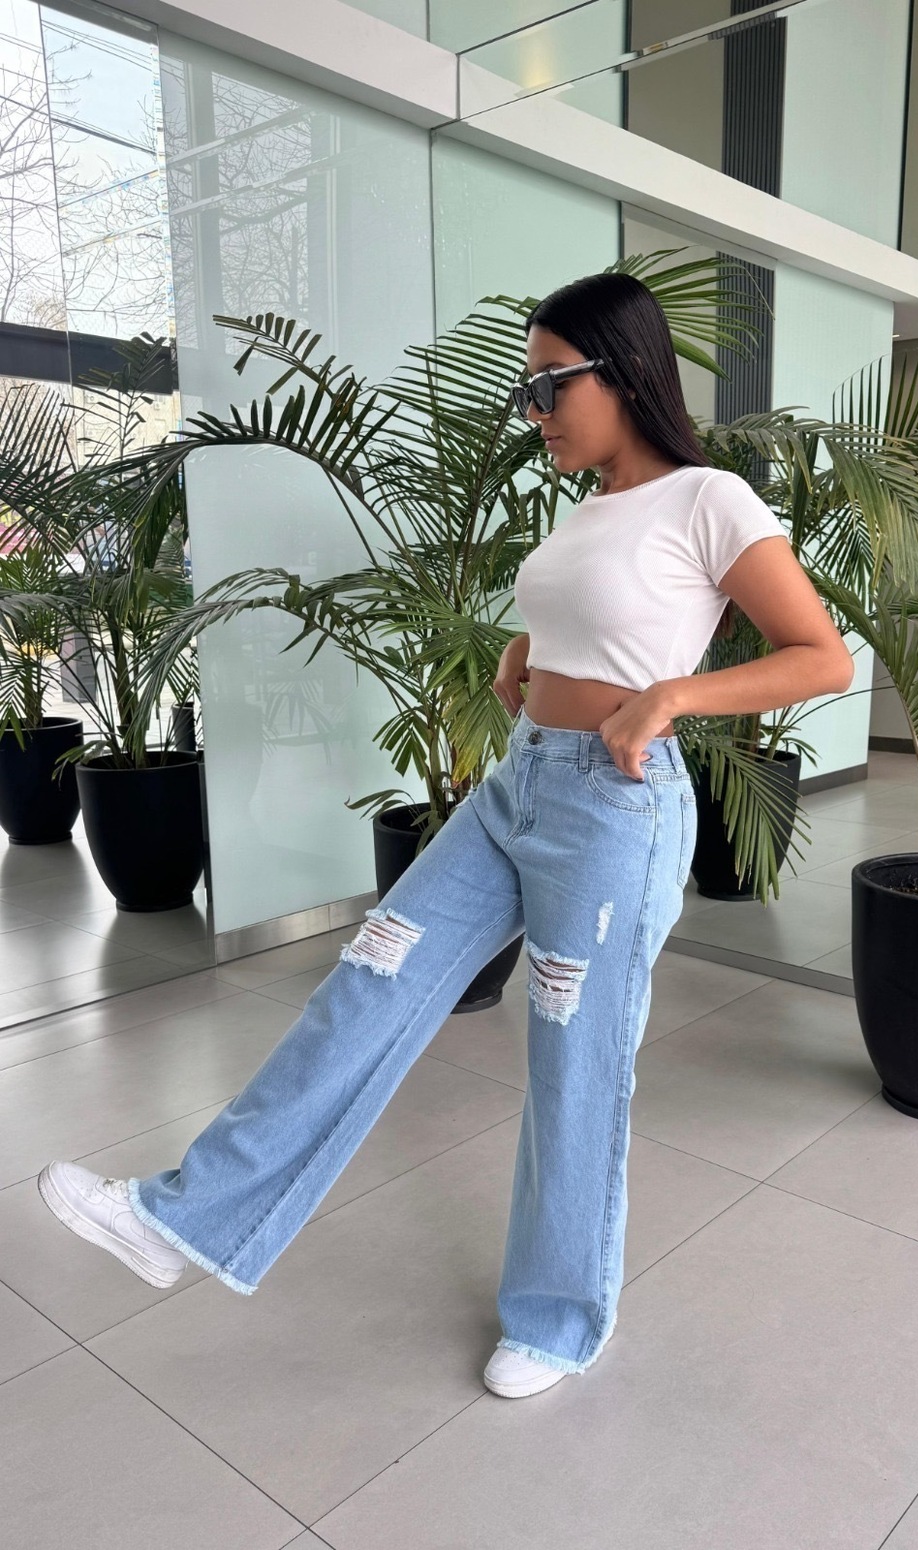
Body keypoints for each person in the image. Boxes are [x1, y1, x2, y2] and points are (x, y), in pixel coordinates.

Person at [37, 272, 854, 1400]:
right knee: (368, 983)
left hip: (614, 810)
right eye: (526, 389)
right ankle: (184, 1218)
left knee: (573, 1062)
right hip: (520, 785)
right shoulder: (590, 506)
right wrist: (528, 653)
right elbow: (591, 620)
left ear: (623, 371)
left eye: (549, 384)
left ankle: (559, 1320)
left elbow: (821, 656)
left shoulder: (710, 499)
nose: (533, 410)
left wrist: (670, 696)